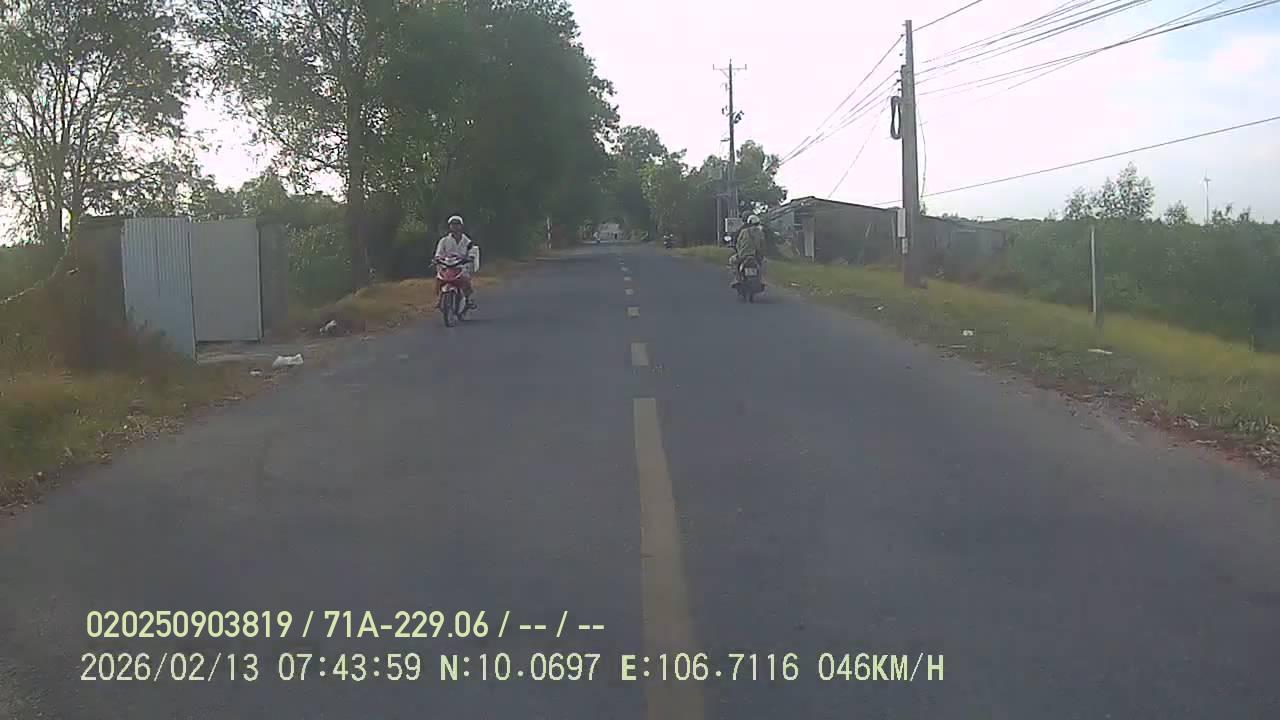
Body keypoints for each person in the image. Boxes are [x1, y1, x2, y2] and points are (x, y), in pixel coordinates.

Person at [435, 215, 476, 309]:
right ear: (449, 226)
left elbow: (472, 252)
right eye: (452, 224)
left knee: (466, 279)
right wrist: (437, 259)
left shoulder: (467, 241)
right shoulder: (444, 241)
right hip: (446, 266)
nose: (455, 226)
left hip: (461, 266)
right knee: (439, 278)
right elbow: (438, 253)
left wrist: (470, 257)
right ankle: (439, 299)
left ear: (461, 226)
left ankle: (468, 299)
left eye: (457, 224)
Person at [728, 214, 766, 286]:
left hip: (743, 256)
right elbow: (763, 245)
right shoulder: (760, 233)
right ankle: (761, 280)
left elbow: (738, 243)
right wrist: (761, 254)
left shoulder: (743, 231)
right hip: (755, 256)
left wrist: (739, 251)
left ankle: (737, 279)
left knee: (732, 261)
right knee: (764, 263)